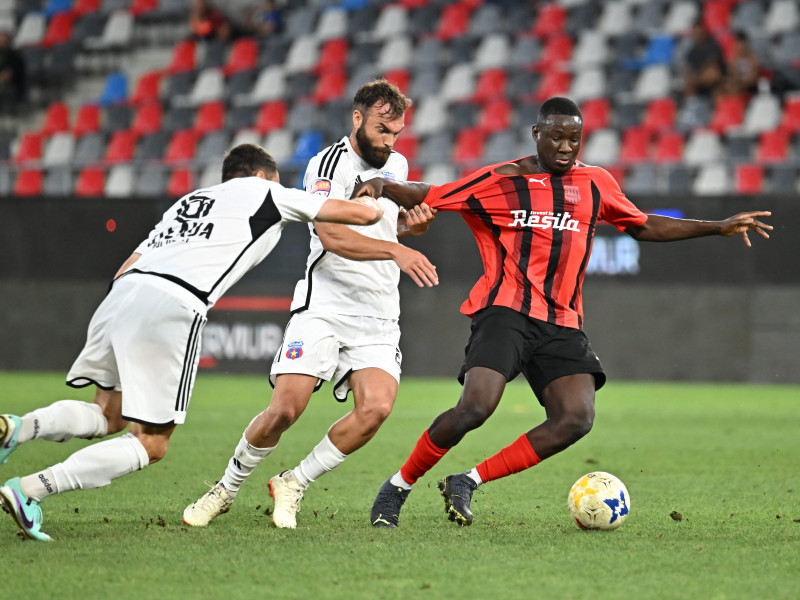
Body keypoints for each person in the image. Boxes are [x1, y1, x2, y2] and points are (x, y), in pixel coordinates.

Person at [359, 96, 772, 528]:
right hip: (506, 311)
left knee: (576, 418)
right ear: (537, 134)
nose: (565, 146)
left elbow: (644, 225)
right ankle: (397, 488)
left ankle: (467, 480)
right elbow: (430, 194)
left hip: (562, 322)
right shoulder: (500, 180)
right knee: (475, 408)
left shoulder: (596, 183)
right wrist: (382, 186)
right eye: (556, 136)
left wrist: (718, 227)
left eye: (574, 138)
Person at [0, 144, 384, 542]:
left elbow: (127, 264)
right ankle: (28, 490)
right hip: (173, 303)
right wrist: (372, 191)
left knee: (107, 413)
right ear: (263, 176)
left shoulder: (190, 201)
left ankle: (17, 428)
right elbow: (363, 215)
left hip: (121, 295)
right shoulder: (268, 192)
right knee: (151, 443)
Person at [183, 79, 438, 529]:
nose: (389, 141)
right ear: (357, 118)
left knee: (376, 408)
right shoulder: (328, 165)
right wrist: (397, 251)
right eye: (382, 129)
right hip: (325, 304)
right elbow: (331, 235)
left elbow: (390, 229)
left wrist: (410, 230)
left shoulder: (396, 164)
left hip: (378, 310)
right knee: (285, 408)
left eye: (396, 132)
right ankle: (226, 488)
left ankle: (294, 481)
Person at [682, 20, 726, 99]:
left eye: (699, 31)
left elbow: (713, 72)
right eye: (695, 32)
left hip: (713, 86)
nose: (697, 35)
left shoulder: (713, 46)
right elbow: (688, 71)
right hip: (697, 86)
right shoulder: (692, 51)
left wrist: (696, 81)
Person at [0, 30, 25, 112]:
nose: (1, 43)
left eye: (4, 41)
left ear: (9, 42)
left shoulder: (14, 55)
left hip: (11, 86)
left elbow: (8, 74)